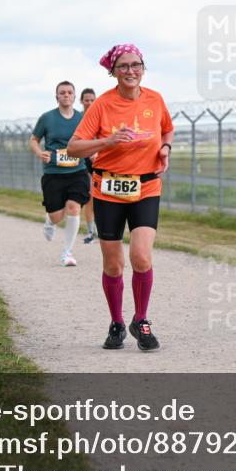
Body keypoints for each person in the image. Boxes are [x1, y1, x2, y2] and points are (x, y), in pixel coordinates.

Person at [68, 44, 174, 352]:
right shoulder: (102, 105)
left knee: (141, 256)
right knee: (114, 265)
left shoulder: (155, 99)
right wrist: (109, 140)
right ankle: (116, 323)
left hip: (146, 187)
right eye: (124, 66)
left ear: (143, 67)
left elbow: (167, 131)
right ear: (113, 72)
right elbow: (74, 148)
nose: (131, 71)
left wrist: (165, 149)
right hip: (109, 190)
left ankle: (141, 320)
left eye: (136, 65)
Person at [30, 81, 90, 267]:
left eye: (69, 92)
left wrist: (93, 153)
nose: (66, 95)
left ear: (74, 96)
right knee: (57, 216)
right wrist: (40, 153)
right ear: (57, 97)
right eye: (62, 92)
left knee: (74, 207)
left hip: (77, 171)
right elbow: (34, 139)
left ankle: (67, 252)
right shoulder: (47, 118)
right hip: (54, 172)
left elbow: (90, 140)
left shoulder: (82, 118)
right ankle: (50, 220)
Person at [80, 88, 99, 244]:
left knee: (102, 196)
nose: (89, 103)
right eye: (87, 100)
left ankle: (102, 230)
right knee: (90, 197)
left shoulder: (100, 115)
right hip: (84, 161)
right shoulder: (78, 118)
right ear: (82, 101)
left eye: (92, 100)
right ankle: (90, 231)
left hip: (99, 160)